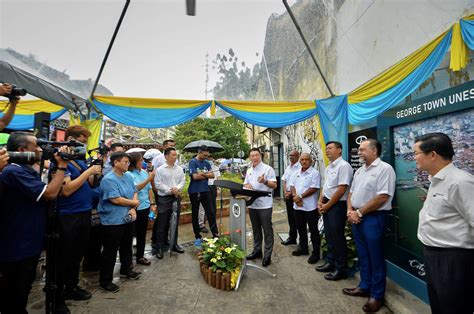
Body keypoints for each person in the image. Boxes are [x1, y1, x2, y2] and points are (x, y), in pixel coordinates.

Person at [0, 132, 71, 313]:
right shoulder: (13, 171)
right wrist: (62, 167)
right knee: (15, 297)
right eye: (36, 147)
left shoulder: (24, 170)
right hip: (17, 247)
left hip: (28, 243)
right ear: (23, 150)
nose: (40, 150)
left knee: (21, 293)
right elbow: (50, 193)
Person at [414, 133, 474, 314]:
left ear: (432, 154)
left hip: (453, 260)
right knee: (439, 306)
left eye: (416, 153)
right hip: (434, 255)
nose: (414, 157)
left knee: (454, 308)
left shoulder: (460, 182)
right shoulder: (435, 179)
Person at [343, 139, 395, 313]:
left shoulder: (384, 169)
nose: (359, 152)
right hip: (357, 216)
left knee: (376, 257)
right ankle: (364, 286)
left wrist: (359, 213)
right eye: (359, 149)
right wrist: (351, 210)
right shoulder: (359, 171)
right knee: (363, 255)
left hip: (373, 217)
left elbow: (382, 197)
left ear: (374, 151)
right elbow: (351, 193)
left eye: (362, 149)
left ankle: (377, 295)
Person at [54, 126, 102, 302]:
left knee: (77, 254)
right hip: (68, 214)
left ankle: (72, 286)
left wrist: (95, 168)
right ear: (71, 140)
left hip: (84, 211)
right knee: (65, 255)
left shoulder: (80, 161)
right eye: (82, 142)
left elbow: (89, 183)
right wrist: (89, 172)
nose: (84, 146)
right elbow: (66, 189)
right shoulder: (61, 161)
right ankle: (58, 293)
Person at [98, 152, 141, 293]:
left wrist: (133, 207)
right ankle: (105, 280)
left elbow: (135, 190)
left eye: (128, 162)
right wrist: (133, 203)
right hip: (113, 220)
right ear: (116, 162)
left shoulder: (128, 176)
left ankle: (126, 269)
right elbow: (115, 199)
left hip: (128, 217)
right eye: (124, 162)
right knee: (110, 251)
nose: (127, 165)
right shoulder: (108, 179)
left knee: (126, 246)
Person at [317, 141, 353, 280]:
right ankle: (330, 262)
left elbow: (342, 189)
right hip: (327, 202)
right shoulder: (328, 167)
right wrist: (320, 201)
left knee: (337, 237)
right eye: (326, 149)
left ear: (339, 150)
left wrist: (327, 205)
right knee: (329, 234)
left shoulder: (344, 166)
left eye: (330, 148)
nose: (327, 151)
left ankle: (340, 268)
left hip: (337, 205)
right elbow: (325, 186)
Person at [244, 148, 277, 267]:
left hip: (265, 205)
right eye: (252, 156)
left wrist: (265, 181)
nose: (254, 158)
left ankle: (267, 255)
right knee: (256, 230)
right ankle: (257, 251)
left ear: (260, 156)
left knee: (267, 230)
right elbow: (246, 184)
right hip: (252, 204)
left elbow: (274, 185)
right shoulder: (249, 170)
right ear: (250, 157)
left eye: (256, 155)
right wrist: (247, 186)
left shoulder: (268, 169)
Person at [289, 153, 321, 264]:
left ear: (311, 161)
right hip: (298, 206)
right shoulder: (295, 172)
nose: (304, 161)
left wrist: (300, 196)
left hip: (310, 207)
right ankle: (303, 248)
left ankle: (316, 253)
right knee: (300, 228)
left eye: (306, 159)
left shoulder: (315, 173)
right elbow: (292, 186)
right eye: (302, 160)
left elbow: (314, 188)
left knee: (313, 230)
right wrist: (295, 197)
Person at [154, 147, 186, 258]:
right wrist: (170, 190)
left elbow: (183, 181)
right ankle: (159, 247)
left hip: (176, 198)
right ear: (166, 156)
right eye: (173, 155)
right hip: (164, 199)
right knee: (162, 224)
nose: (175, 157)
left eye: (176, 155)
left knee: (175, 222)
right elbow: (158, 184)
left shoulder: (179, 169)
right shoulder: (160, 170)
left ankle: (174, 244)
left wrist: (177, 189)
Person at [127, 152, 156, 266]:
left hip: (145, 206)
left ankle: (140, 255)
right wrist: (149, 179)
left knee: (142, 233)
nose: (142, 162)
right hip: (134, 208)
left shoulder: (144, 173)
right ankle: (128, 259)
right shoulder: (129, 175)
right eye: (140, 160)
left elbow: (149, 190)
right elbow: (136, 188)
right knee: (130, 234)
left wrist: (152, 203)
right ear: (134, 162)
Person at [188, 145, 219, 247]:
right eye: (204, 155)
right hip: (194, 191)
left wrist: (203, 173)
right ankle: (197, 236)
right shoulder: (193, 162)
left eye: (207, 155)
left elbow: (212, 175)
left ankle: (215, 234)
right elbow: (195, 177)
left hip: (206, 190)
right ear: (199, 152)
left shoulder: (206, 163)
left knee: (210, 212)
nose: (205, 156)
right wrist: (205, 174)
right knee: (195, 214)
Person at [280, 150, 300, 245]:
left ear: (298, 156)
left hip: (296, 196)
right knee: (290, 218)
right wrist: (285, 191)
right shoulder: (289, 167)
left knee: (298, 219)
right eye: (290, 155)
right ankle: (292, 238)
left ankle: (301, 240)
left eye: (293, 155)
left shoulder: (300, 167)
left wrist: (291, 193)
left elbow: (298, 183)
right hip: (288, 196)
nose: (291, 157)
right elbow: (284, 180)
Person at [198, 154, 220, 233]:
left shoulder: (215, 167)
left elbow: (217, 178)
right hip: (204, 186)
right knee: (202, 207)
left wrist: (218, 188)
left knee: (213, 206)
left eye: (211, 158)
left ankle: (212, 223)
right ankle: (201, 224)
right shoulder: (202, 166)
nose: (210, 159)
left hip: (213, 187)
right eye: (208, 158)